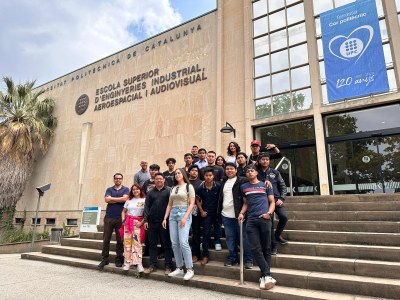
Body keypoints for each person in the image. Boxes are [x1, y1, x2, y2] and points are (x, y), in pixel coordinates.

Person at [239, 165, 276, 290]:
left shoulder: (265, 184)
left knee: (266, 247)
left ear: (256, 173)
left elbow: (272, 201)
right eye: (248, 171)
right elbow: (245, 203)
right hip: (251, 220)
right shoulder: (244, 187)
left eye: (252, 170)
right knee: (255, 248)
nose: (250, 172)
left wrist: (269, 214)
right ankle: (267, 275)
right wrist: (241, 213)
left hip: (265, 219)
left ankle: (264, 276)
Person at [217, 162, 253, 268]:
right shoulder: (223, 182)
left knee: (244, 238)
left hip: (239, 215)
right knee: (230, 238)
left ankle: (248, 259)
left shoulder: (242, 180)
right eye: (227, 169)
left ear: (236, 170)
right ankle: (232, 258)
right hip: (226, 215)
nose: (229, 170)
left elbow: (254, 183)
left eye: (231, 168)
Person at [162, 168, 195, 280]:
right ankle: (179, 268)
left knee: (183, 241)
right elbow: (169, 205)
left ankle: (190, 269)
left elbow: (192, 204)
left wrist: (185, 217)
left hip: (184, 213)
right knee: (174, 243)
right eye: (175, 173)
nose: (177, 175)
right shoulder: (173, 188)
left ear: (183, 174)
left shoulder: (188, 186)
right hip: (172, 214)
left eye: (179, 173)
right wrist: (165, 218)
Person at [257, 153, 288, 254]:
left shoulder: (275, 172)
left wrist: (282, 198)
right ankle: (273, 246)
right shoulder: (256, 172)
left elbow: (283, 187)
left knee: (284, 217)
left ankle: (277, 235)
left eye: (267, 159)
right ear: (259, 161)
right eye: (263, 159)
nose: (265, 161)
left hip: (276, 200)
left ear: (269, 161)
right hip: (263, 202)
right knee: (269, 225)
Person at [143, 173, 173, 275]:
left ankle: (168, 266)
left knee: (166, 245)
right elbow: (146, 207)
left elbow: (172, 205)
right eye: (157, 179)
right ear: (154, 181)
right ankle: (152, 265)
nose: (159, 180)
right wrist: (146, 220)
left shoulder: (169, 191)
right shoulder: (150, 192)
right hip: (152, 223)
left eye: (160, 179)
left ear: (164, 180)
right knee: (152, 245)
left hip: (165, 223)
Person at [98, 173, 129, 269]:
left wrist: (112, 198)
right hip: (109, 217)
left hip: (120, 218)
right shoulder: (109, 189)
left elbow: (125, 199)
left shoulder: (126, 189)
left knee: (120, 240)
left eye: (120, 178)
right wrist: (119, 199)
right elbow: (107, 200)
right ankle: (105, 259)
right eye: (116, 178)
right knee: (106, 239)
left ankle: (119, 259)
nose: (118, 180)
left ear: (122, 179)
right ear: (114, 179)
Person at [196, 167, 222, 265]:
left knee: (217, 227)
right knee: (206, 233)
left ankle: (217, 241)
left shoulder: (218, 186)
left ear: (213, 176)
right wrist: (201, 211)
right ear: (204, 176)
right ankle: (205, 256)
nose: (208, 177)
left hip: (217, 212)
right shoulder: (200, 188)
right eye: (206, 175)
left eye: (210, 175)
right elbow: (197, 200)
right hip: (206, 213)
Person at [121, 184, 146, 272]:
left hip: (138, 223)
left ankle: (139, 263)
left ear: (140, 190)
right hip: (128, 223)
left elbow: (146, 213)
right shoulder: (129, 200)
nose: (135, 191)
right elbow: (123, 211)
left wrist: (141, 222)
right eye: (133, 189)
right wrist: (123, 220)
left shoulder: (144, 200)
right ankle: (127, 263)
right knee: (127, 242)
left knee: (137, 243)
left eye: (137, 189)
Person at [187, 164, 203, 263]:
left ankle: (195, 254)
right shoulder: (185, 182)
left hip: (196, 210)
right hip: (184, 209)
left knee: (196, 232)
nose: (194, 172)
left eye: (196, 171)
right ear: (189, 172)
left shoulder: (201, 183)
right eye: (192, 170)